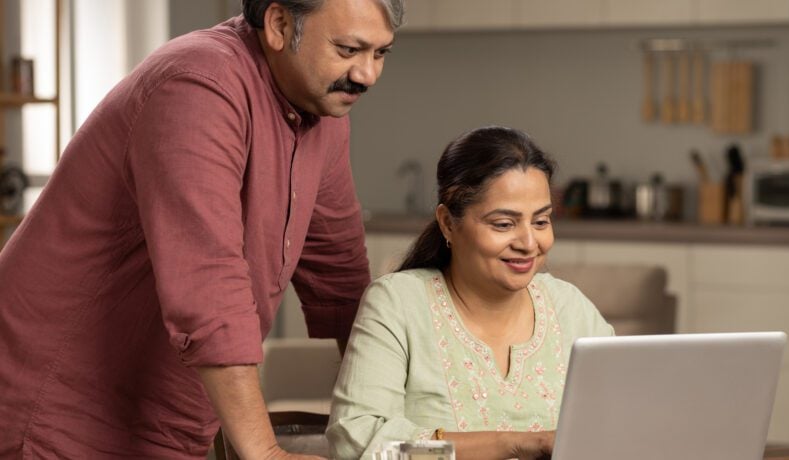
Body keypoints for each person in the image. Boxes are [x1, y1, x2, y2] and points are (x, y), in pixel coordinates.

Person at [0, 0, 403, 458]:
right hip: (53, 414)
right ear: (279, 24)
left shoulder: (322, 114)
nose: (367, 74)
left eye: (381, 53)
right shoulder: (198, 85)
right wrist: (263, 452)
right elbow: (209, 287)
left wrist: (394, 420)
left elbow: (340, 274)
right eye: (349, 49)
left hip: (166, 422)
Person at [327, 126, 615, 460]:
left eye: (541, 222)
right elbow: (356, 443)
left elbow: (621, 423)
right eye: (504, 224)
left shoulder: (571, 309)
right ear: (448, 223)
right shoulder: (397, 303)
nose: (528, 244)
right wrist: (513, 443)